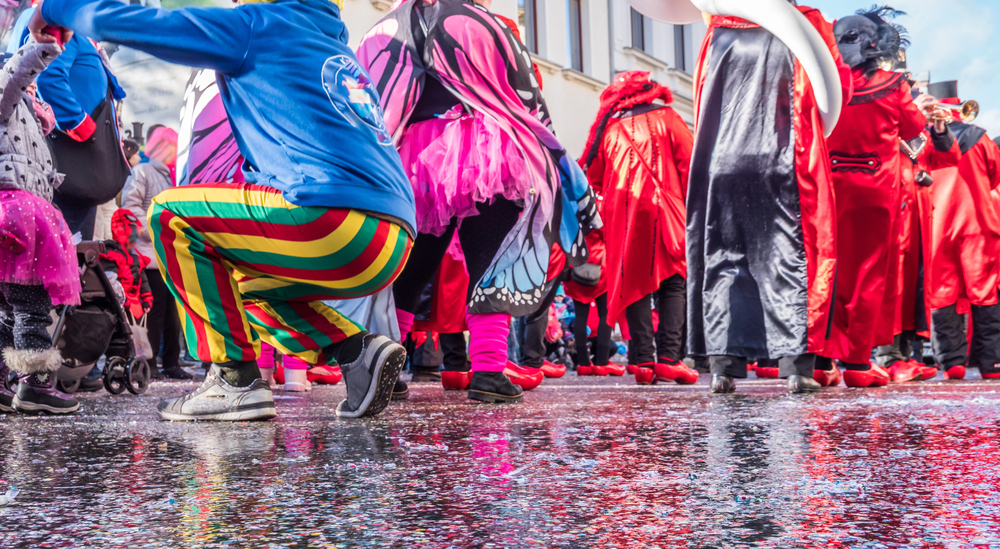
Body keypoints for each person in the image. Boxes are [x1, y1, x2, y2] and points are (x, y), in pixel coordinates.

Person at [31, 0, 418, 420]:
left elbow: (152, 25)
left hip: (332, 221)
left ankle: (233, 379)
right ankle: (356, 351)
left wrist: (57, 8)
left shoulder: (259, 24)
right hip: (392, 239)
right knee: (246, 290)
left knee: (169, 214)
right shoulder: (332, 46)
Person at [358, 0, 600, 404]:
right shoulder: (485, 22)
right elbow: (527, 99)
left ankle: (390, 370)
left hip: (419, 157)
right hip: (491, 148)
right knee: (494, 260)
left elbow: (373, 99)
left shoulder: (389, 25)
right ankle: (489, 371)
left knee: (409, 268)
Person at [685, 3, 852, 394]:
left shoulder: (718, 27)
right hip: (783, 157)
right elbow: (838, 84)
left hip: (722, 162)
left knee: (725, 259)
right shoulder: (807, 23)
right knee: (788, 258)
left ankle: (724, 368)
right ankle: (796, 368)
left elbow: (700, 94)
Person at [822, 8, 928, 386]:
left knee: (827, 269)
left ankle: (820, 361)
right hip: (874, 189)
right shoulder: (892, 83)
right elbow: (915, 126)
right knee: (867, 274)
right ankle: (857, 364)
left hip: (828, 187)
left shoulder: (825, 81)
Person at [580, 71, 697, 386]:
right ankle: (670, 359)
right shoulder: (669, 118)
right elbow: (691, 166)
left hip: (622, 216)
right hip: (666, 210)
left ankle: (642, 360)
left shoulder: (609, 128)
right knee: (674, 281)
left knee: (634, 285)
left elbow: (594, 177)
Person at [0, 40, 81, 415]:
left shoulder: (25, 112)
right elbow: (14, 77)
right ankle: (35, 386)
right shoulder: (6, 96)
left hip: (19, 213)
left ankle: (5, 381)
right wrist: (43, 48)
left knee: (7, 306)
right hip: (20, 217)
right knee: (31, 304)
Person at [922, 80, 1000, 381]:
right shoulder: (980, 138)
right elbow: (995, 176)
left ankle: (952, 363)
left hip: (937, 224)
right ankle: (992, 363)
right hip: (979, 221)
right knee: (985, 293)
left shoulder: (922, 139)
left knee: (942, 293)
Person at [30, 10, 127, 240]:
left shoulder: (82, 39)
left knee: (79, 242)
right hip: (75, 157)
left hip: (84, 159)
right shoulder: (69, 34)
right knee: (71, 245)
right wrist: (79, 124)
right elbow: (49, 78)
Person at [121, 130, 190, 380]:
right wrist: (154, 230)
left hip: (171, 256)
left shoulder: (174, 175)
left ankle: (171, 362)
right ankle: (150, 364)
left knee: (173, 313)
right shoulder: (144, 172)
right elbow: (130, 206)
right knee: (155, 312)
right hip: (151, 256)